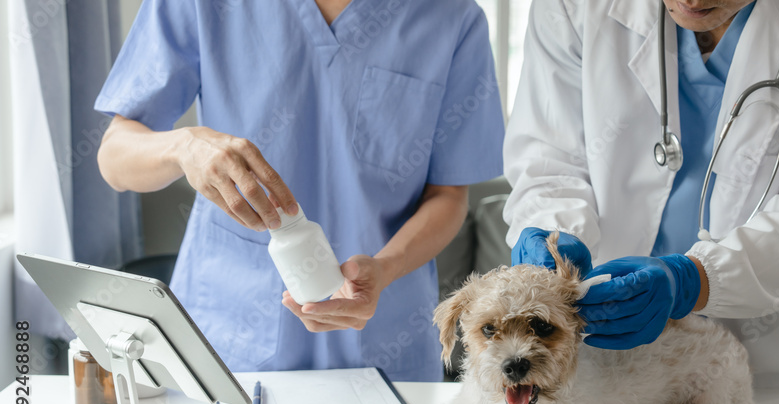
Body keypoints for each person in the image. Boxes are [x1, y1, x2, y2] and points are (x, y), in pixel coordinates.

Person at [504, 0, 779, 388]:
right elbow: (549, 160)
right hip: (602, 352)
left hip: (771, 361)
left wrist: (694, 281)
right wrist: (551, 234)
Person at [95, 0, 505, 381]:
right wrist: (183, 147)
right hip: (227, 341)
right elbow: (114, 157)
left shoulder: (451, 16)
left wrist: (385, 269)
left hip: (386, 346)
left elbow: (449, 195)